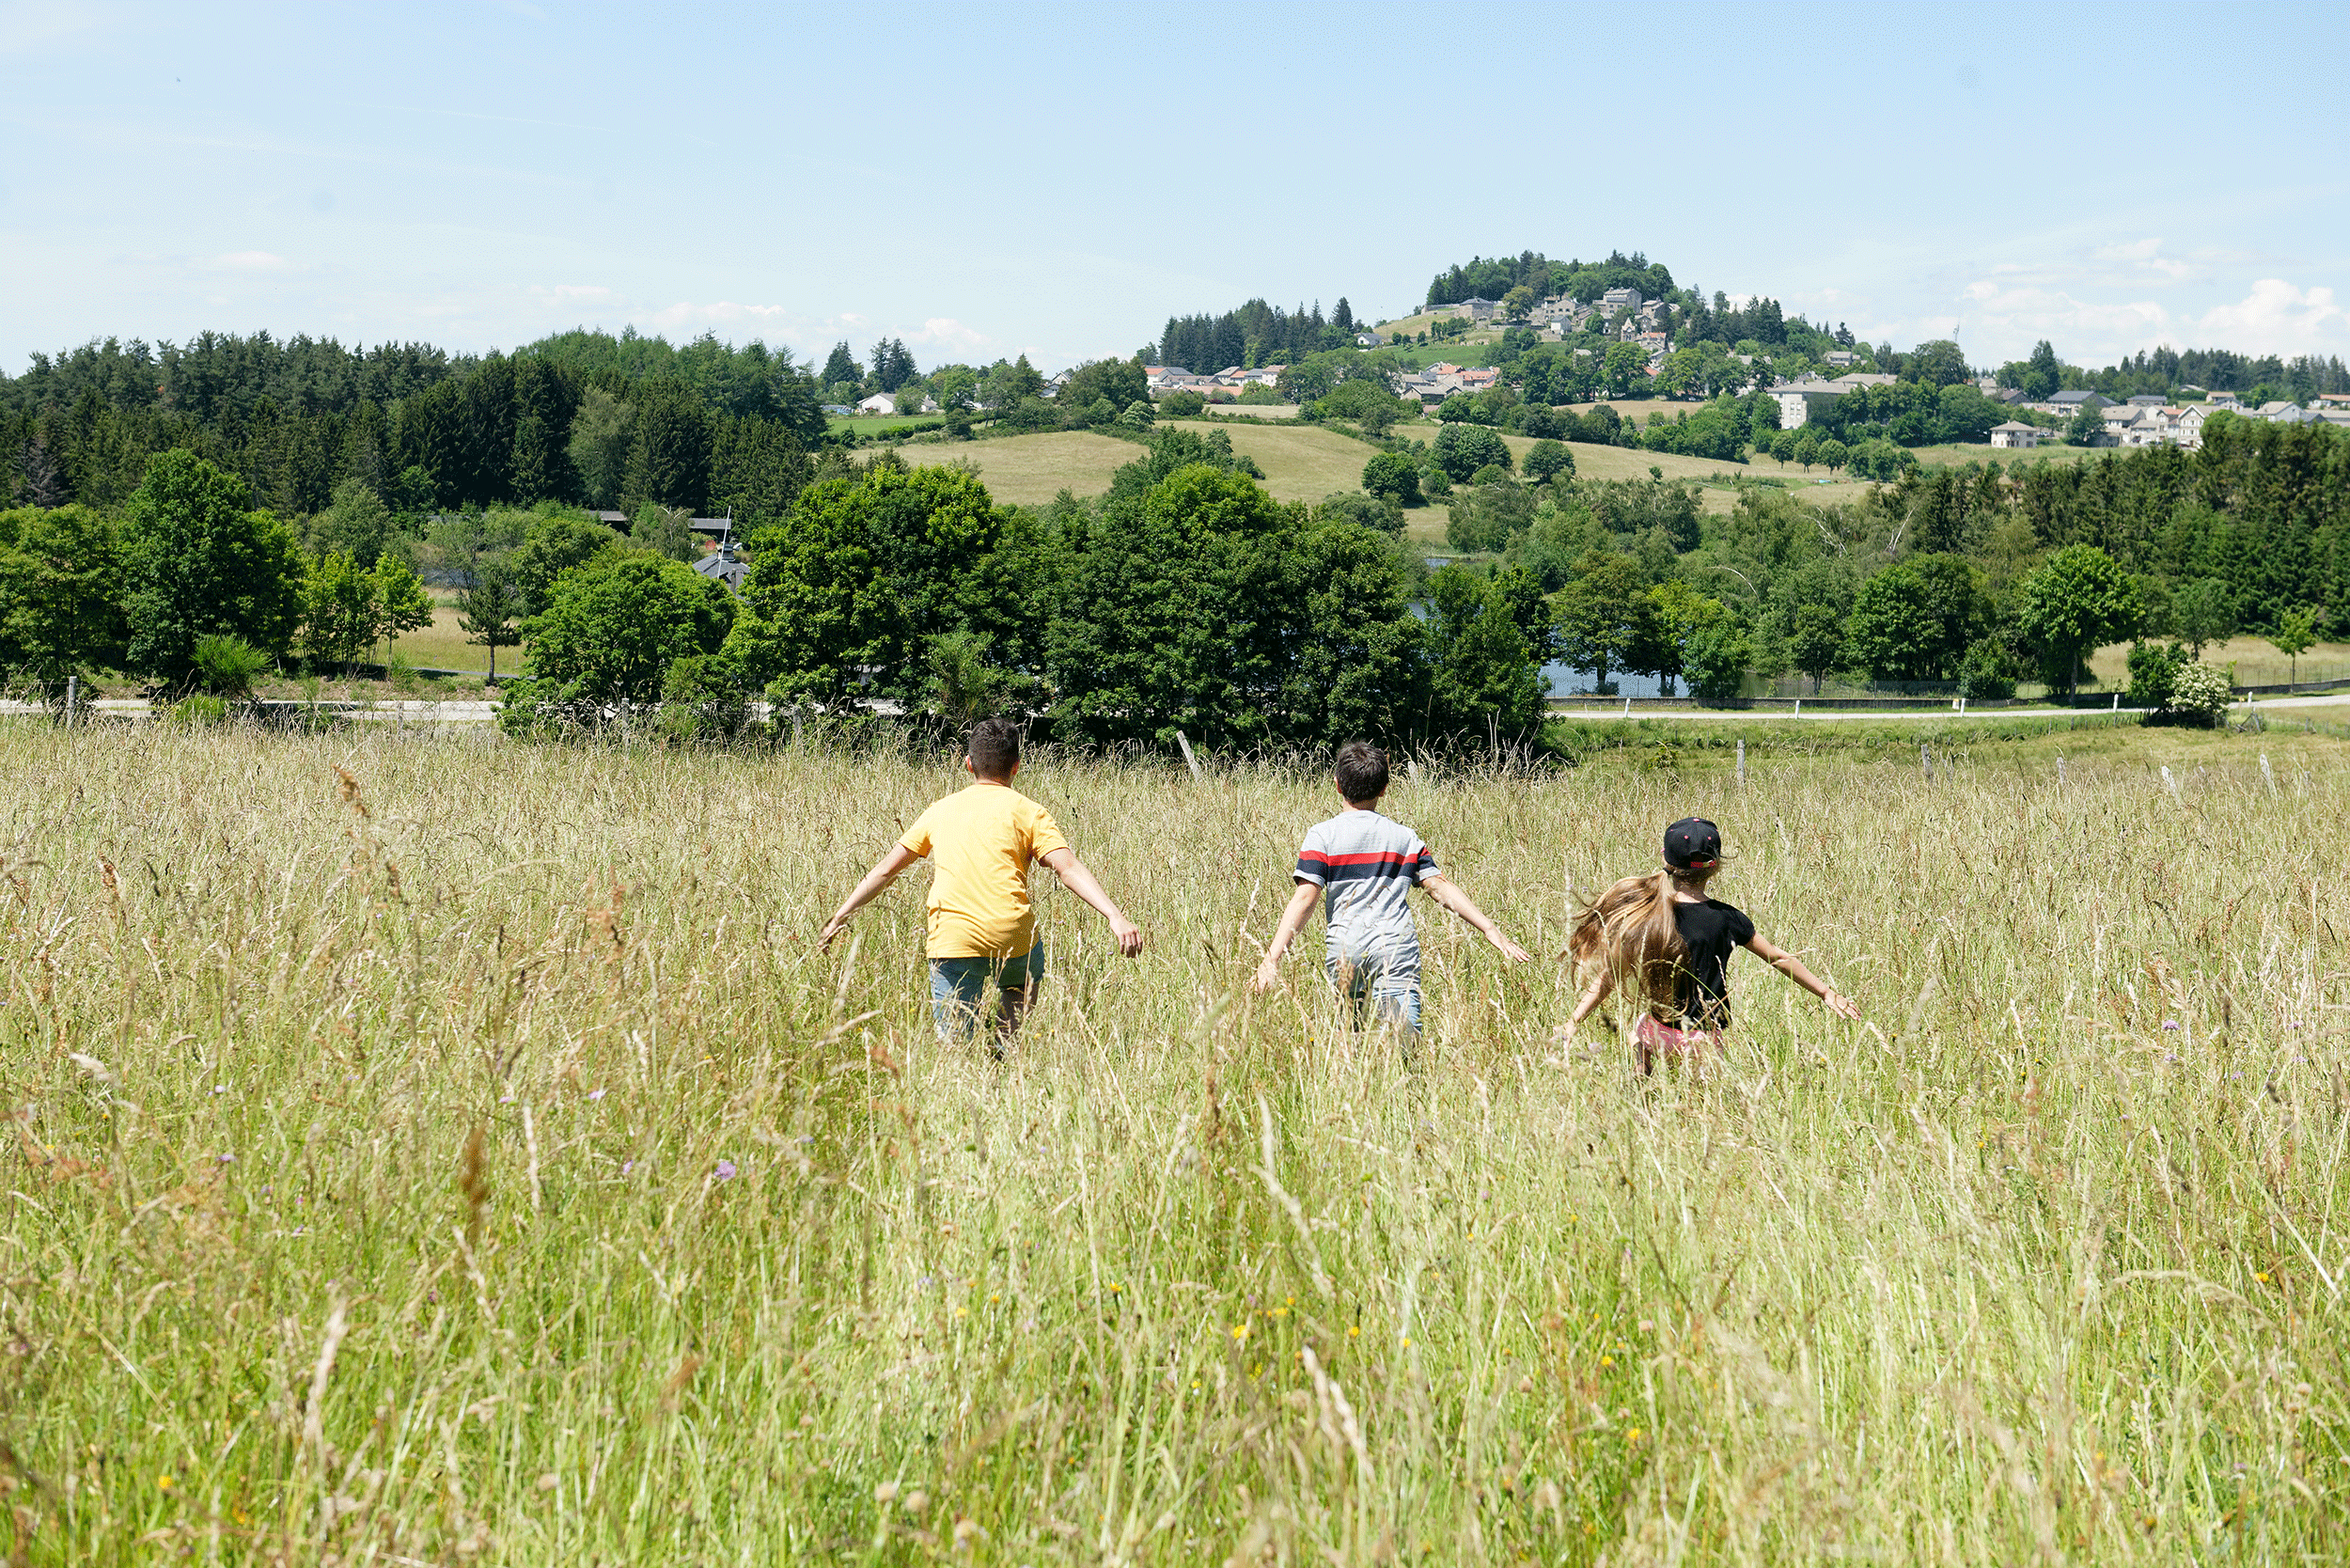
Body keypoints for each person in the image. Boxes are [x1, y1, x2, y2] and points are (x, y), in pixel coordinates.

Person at [819, 717, 1142, 1050]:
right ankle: (1002, 1051)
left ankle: (962, 1066)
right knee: (1018, 990)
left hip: (953, 939)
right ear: (1016, 767)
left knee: (954, 1045)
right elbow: (1068, 868)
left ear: (968, 763)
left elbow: (885, 871)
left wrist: (840, 915)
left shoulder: (939, 810)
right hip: (1012, 937)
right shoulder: (1030, 812)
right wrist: (1114, 916)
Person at [1250, 740, 1531, 1045]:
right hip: (1395, 948)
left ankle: (1354, 1084)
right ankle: (1409, 1081)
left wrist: (1271, 959)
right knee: (1406, 1037)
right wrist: (1490, 928)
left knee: (1349, 1037)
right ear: (1384, 788)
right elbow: (1439, 886)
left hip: (1347, 949)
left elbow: (1305, 898)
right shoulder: (1404, 837)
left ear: (1337, 785)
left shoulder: (1322, 835)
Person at [1560, 817, 1859, 1073]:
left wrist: (1574, 1021)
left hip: (1658, 1032)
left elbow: (1610, 977)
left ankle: (1642, 1065)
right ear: (1714, 867)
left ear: (1666, 860)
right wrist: (1825, 992)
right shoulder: (1728, 918)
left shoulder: (1647, 915)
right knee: (1703, 1107)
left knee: (1640, 1025)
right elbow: (1779, 959)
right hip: (1703, 1041)